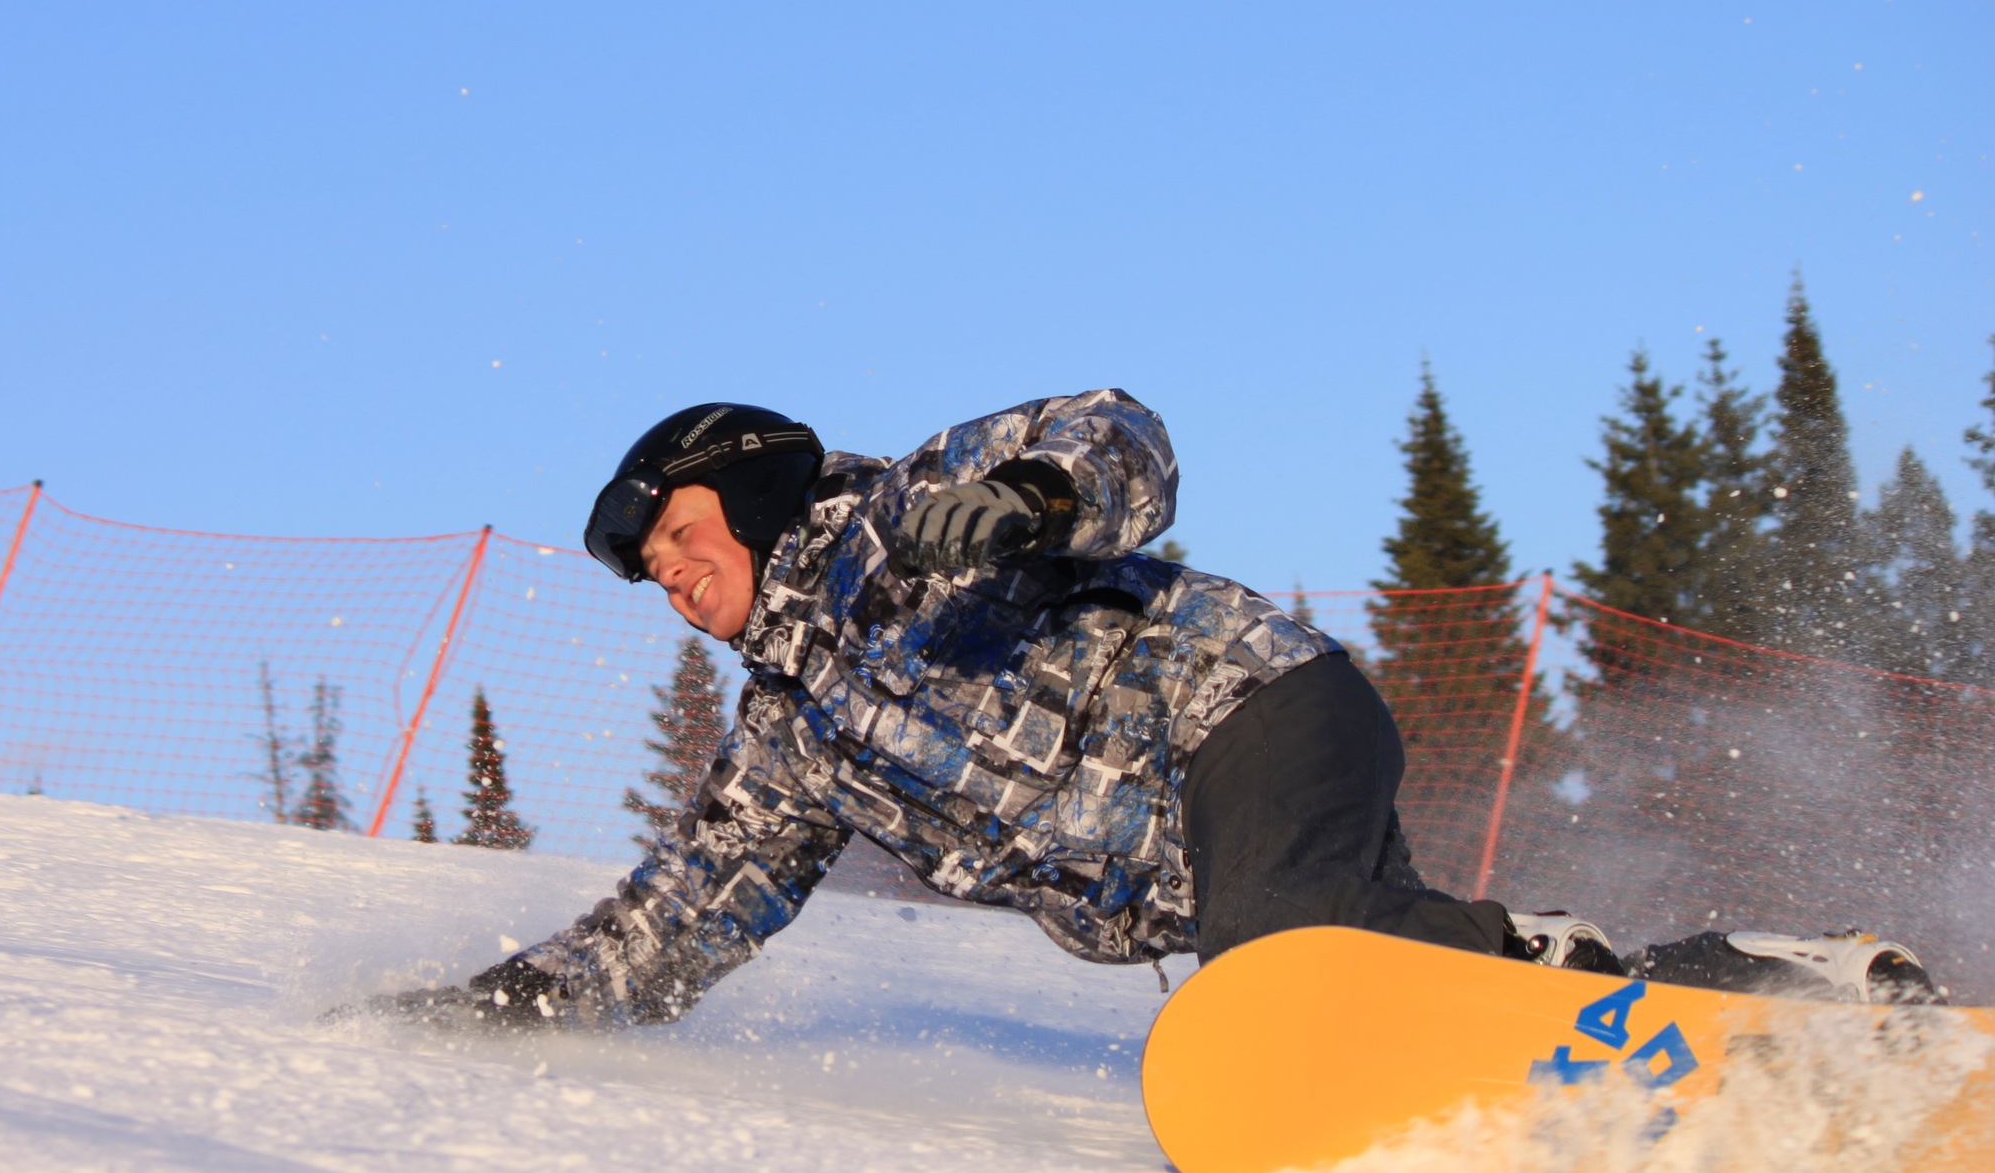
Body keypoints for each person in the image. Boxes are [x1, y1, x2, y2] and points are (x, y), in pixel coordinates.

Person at [379, 391, 1940, 1028]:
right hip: (1233, 881)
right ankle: (1784, 987)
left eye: (674, 534)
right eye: (648, 567)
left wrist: (1033, 502)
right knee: (1409, 997)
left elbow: (1117, 435)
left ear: (750, 484)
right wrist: (494, 1013)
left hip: (1250, 713)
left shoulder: (900, 511)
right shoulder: (791, 745)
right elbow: (678, 917)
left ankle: (1502, 964)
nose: (666, 573)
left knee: (1280, 978)